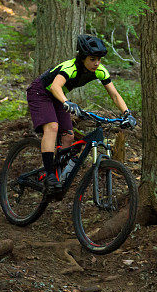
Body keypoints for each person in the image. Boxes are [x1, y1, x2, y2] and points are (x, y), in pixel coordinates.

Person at [26, 34, 136, 193]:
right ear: (83, 57)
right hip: (41, 92)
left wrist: (127, 113)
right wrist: (66, 102)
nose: (96, 63)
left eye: (99, 59)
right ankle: (50, 175)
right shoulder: (70, 67)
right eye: (92, 59)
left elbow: (114, 95)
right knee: (52, 127)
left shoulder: (100, 71)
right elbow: (55, 87)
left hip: (59, 97)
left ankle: (59, 177)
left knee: (69, 136)